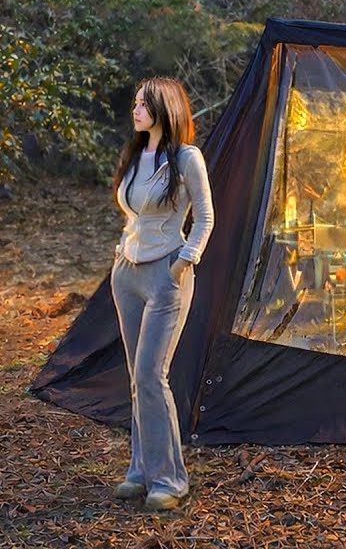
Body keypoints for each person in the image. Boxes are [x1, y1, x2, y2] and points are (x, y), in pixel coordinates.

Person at [109, 76, 214, 511]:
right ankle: (140, 470)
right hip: (126, 274)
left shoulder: (186, 157)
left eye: (142, 105)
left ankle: (170, 480)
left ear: (163, 108)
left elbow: (205, 218)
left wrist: (183, 261)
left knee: (153, 375)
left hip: (166, 276)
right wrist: (120, 252)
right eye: (134, 104)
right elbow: (133, 214)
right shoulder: (136, 154)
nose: (134, 111)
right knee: (138, 378)